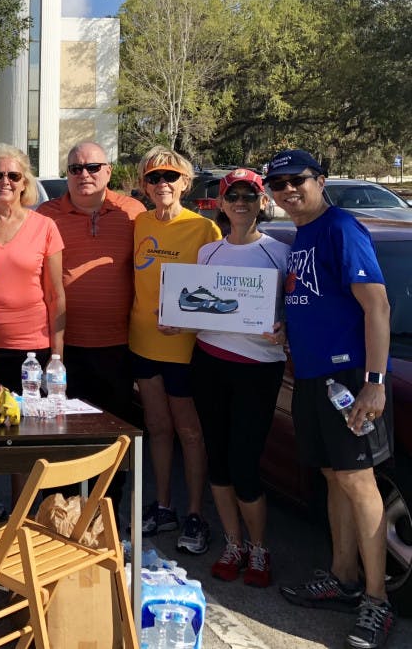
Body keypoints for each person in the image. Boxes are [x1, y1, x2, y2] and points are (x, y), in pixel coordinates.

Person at [267, 150, 395, 649]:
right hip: (313, 376)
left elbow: (377, 305)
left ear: (320, 180)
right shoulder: (303, 236)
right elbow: (316, 300)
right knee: (332, 476)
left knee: (360, 483)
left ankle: (377, 599)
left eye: (296, 180)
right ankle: (342, 578)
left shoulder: (341, 227)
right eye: (277, 184)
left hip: (348, 377)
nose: (287, 190)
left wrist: (375, 380)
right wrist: (287, 325)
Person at [188, 168, 289, 588]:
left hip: (258, 370)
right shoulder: (208, 253)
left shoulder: (280, 253)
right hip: (209, 362)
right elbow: (194, 307)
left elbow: (297, 311)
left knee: (246, 464)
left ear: (262, 201)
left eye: (250, 195)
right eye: (234, 196)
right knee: (218, 458)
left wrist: (286, 330)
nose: (241, 202)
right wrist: (178, 321)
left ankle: (259, 549)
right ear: (222, 203)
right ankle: (234, 543)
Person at [37, 141, 145, 510]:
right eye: (76, 169)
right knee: (61, 438)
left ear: (109, 171)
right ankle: (59, 516)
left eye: (93, 167)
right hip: (61, 348)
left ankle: (106, 516)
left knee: (112, 439)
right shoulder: (46, 215)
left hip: (118, 346)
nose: (84, 175)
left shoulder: (132, 213)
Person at [0, 143, 65, 531]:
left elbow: (56, 293)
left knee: (24, 436)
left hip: (32, 348)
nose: (4, 182)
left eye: (13, 176)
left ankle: (22, 518)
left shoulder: (45, 227)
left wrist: (57, 355)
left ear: (25, 182)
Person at [130, 146, 221, 554]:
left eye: (170, 177)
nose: (162, 184)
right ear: (144, 185)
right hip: (142, 343)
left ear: (185, 182)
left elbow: (221, 293)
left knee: (190, 431)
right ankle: (165, 505)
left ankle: (196, 514)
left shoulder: (204, 230)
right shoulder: (138, 222)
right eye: (153, 178)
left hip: (185, 348)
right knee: (159, 428)